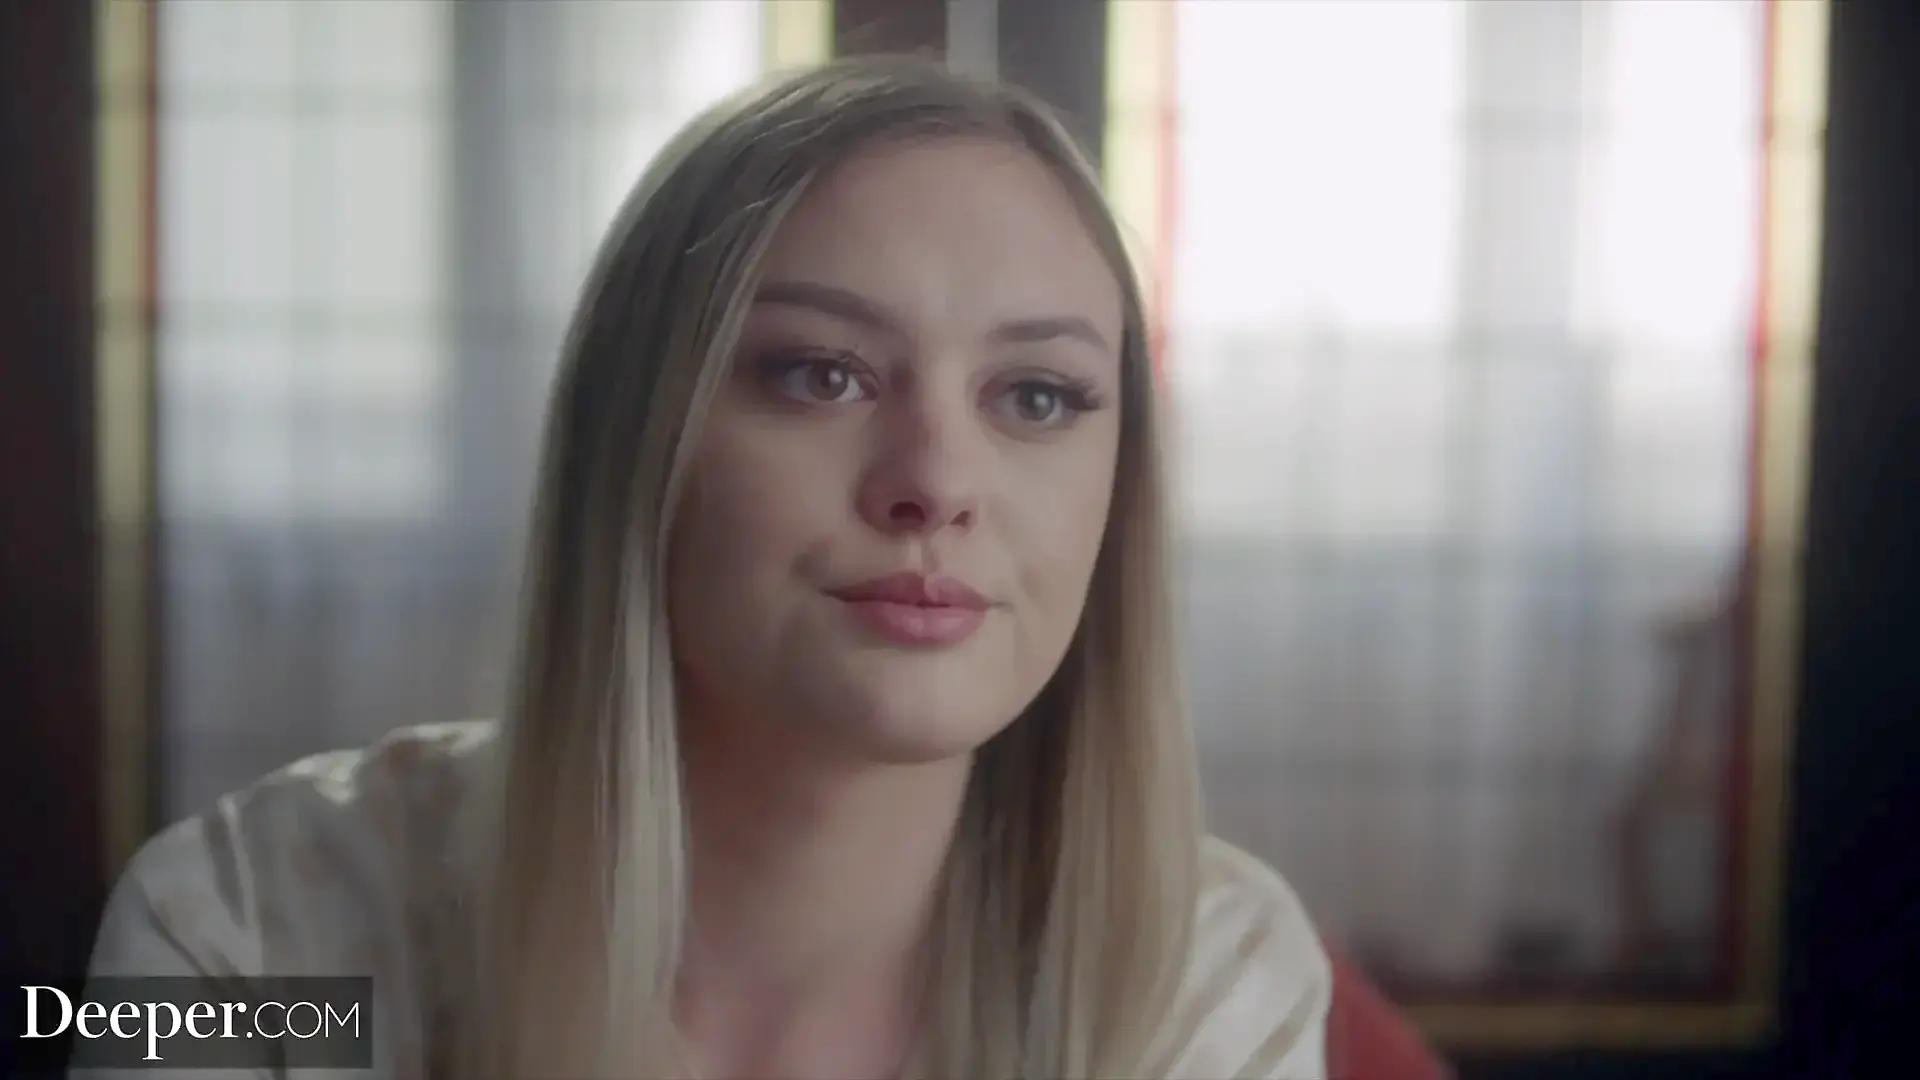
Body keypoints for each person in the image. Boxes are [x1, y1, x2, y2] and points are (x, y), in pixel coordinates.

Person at [78, 56, 1331, 1079]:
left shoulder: (1203, 976)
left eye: (1038, 395)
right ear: (641, 434)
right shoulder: (251, 928)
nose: (937, 482)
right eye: (821, 374)